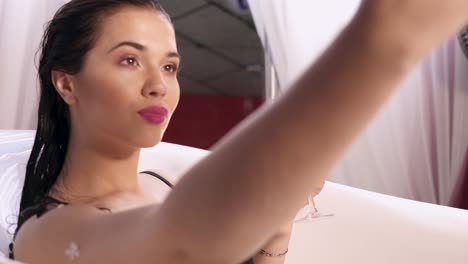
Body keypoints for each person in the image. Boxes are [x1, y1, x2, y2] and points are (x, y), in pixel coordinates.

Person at [8, 0, 468, 263]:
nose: (159, 86)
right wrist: (384, 43)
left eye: (170, 67)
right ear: (66, 82)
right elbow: (181, 246)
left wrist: (274, 241)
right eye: (130, 60)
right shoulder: (47, 230)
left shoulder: (167, 186)